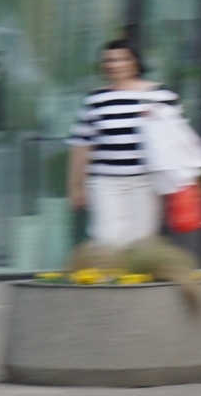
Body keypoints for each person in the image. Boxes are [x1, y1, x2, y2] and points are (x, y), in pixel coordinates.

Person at [67, 38, 184, 248]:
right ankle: (109, 279)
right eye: (109, 60)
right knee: (106, 238)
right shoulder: (96, 100)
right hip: (105, 181)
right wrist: (76, 185)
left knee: (141, 240)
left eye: (121, 59)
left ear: (135, 63)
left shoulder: (160, 95)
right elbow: (81, 144)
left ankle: (133, 279)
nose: (113, 65)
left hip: (145, 181)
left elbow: (178, 140)